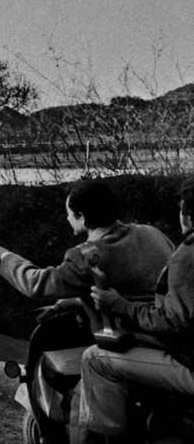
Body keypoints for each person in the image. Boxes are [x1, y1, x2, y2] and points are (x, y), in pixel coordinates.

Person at [78, 177, 194, 443]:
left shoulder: (188, 254)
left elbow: (171, 322)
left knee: (94, 358)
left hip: (189, 363)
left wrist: (120, 304)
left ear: (186, 214)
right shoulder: (157, 237)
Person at [0, 179, 173, 299]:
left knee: (90, 359)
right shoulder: (152, 232)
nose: (67, 218)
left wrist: (3, 254)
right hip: (173, 323)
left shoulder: (85, 255)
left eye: (69, 214)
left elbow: (36, 284)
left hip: (135, 333)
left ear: (82, 217)